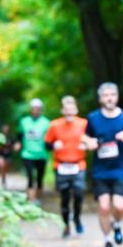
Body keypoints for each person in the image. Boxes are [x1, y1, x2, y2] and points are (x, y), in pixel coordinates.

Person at [83, 83, 123, 247]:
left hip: (121, 167)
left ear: (116, 97)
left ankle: (116, 223)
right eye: (106, 95)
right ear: (100, 98)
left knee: (120, 206)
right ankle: (107, 239)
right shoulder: (93, 118)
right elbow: (85, 137)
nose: (109, 98)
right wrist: (89, 142)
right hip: (101, 170)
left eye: (112, 94)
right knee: (104, 206)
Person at [44, 96, 89, 238]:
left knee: (79, 193)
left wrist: (86, 144)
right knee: (64, 197)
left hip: (78, 164)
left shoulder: (84, 124)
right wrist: (53, 145)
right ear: (62, 110)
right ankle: (66, 224)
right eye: (66, 110)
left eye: (72, 110)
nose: (69, 112)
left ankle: (76, 217)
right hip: (61, 165)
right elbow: (46, 144)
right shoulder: (54, 125)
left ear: (76, 110)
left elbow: (94, 139)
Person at [15, 98, 50, 204]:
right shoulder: (24, 121)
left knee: (40, 178)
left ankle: (38, 199)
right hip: (27, 154)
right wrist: (18, 143)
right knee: (30, 177)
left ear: (41, 110)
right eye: (33, 109)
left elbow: (50, 138)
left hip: (41, 154)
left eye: (37, 109)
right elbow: (19, 134)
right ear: (30, 109)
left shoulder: (46, 122)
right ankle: (31, 200)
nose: (35, 111)